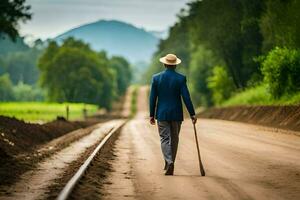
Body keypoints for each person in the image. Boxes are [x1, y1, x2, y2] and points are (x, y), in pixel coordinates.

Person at [149, 53, 197, 176]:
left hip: (162, 114)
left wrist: (151, 115)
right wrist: (192, 113)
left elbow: (152, 98)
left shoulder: (156, 78)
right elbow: (186, 97)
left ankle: (169, 162)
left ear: (164, 64)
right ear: (175, 65)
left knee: (164, 139)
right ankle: (170, 162)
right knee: (174, 139)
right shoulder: (181, 78)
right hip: (176, 114)